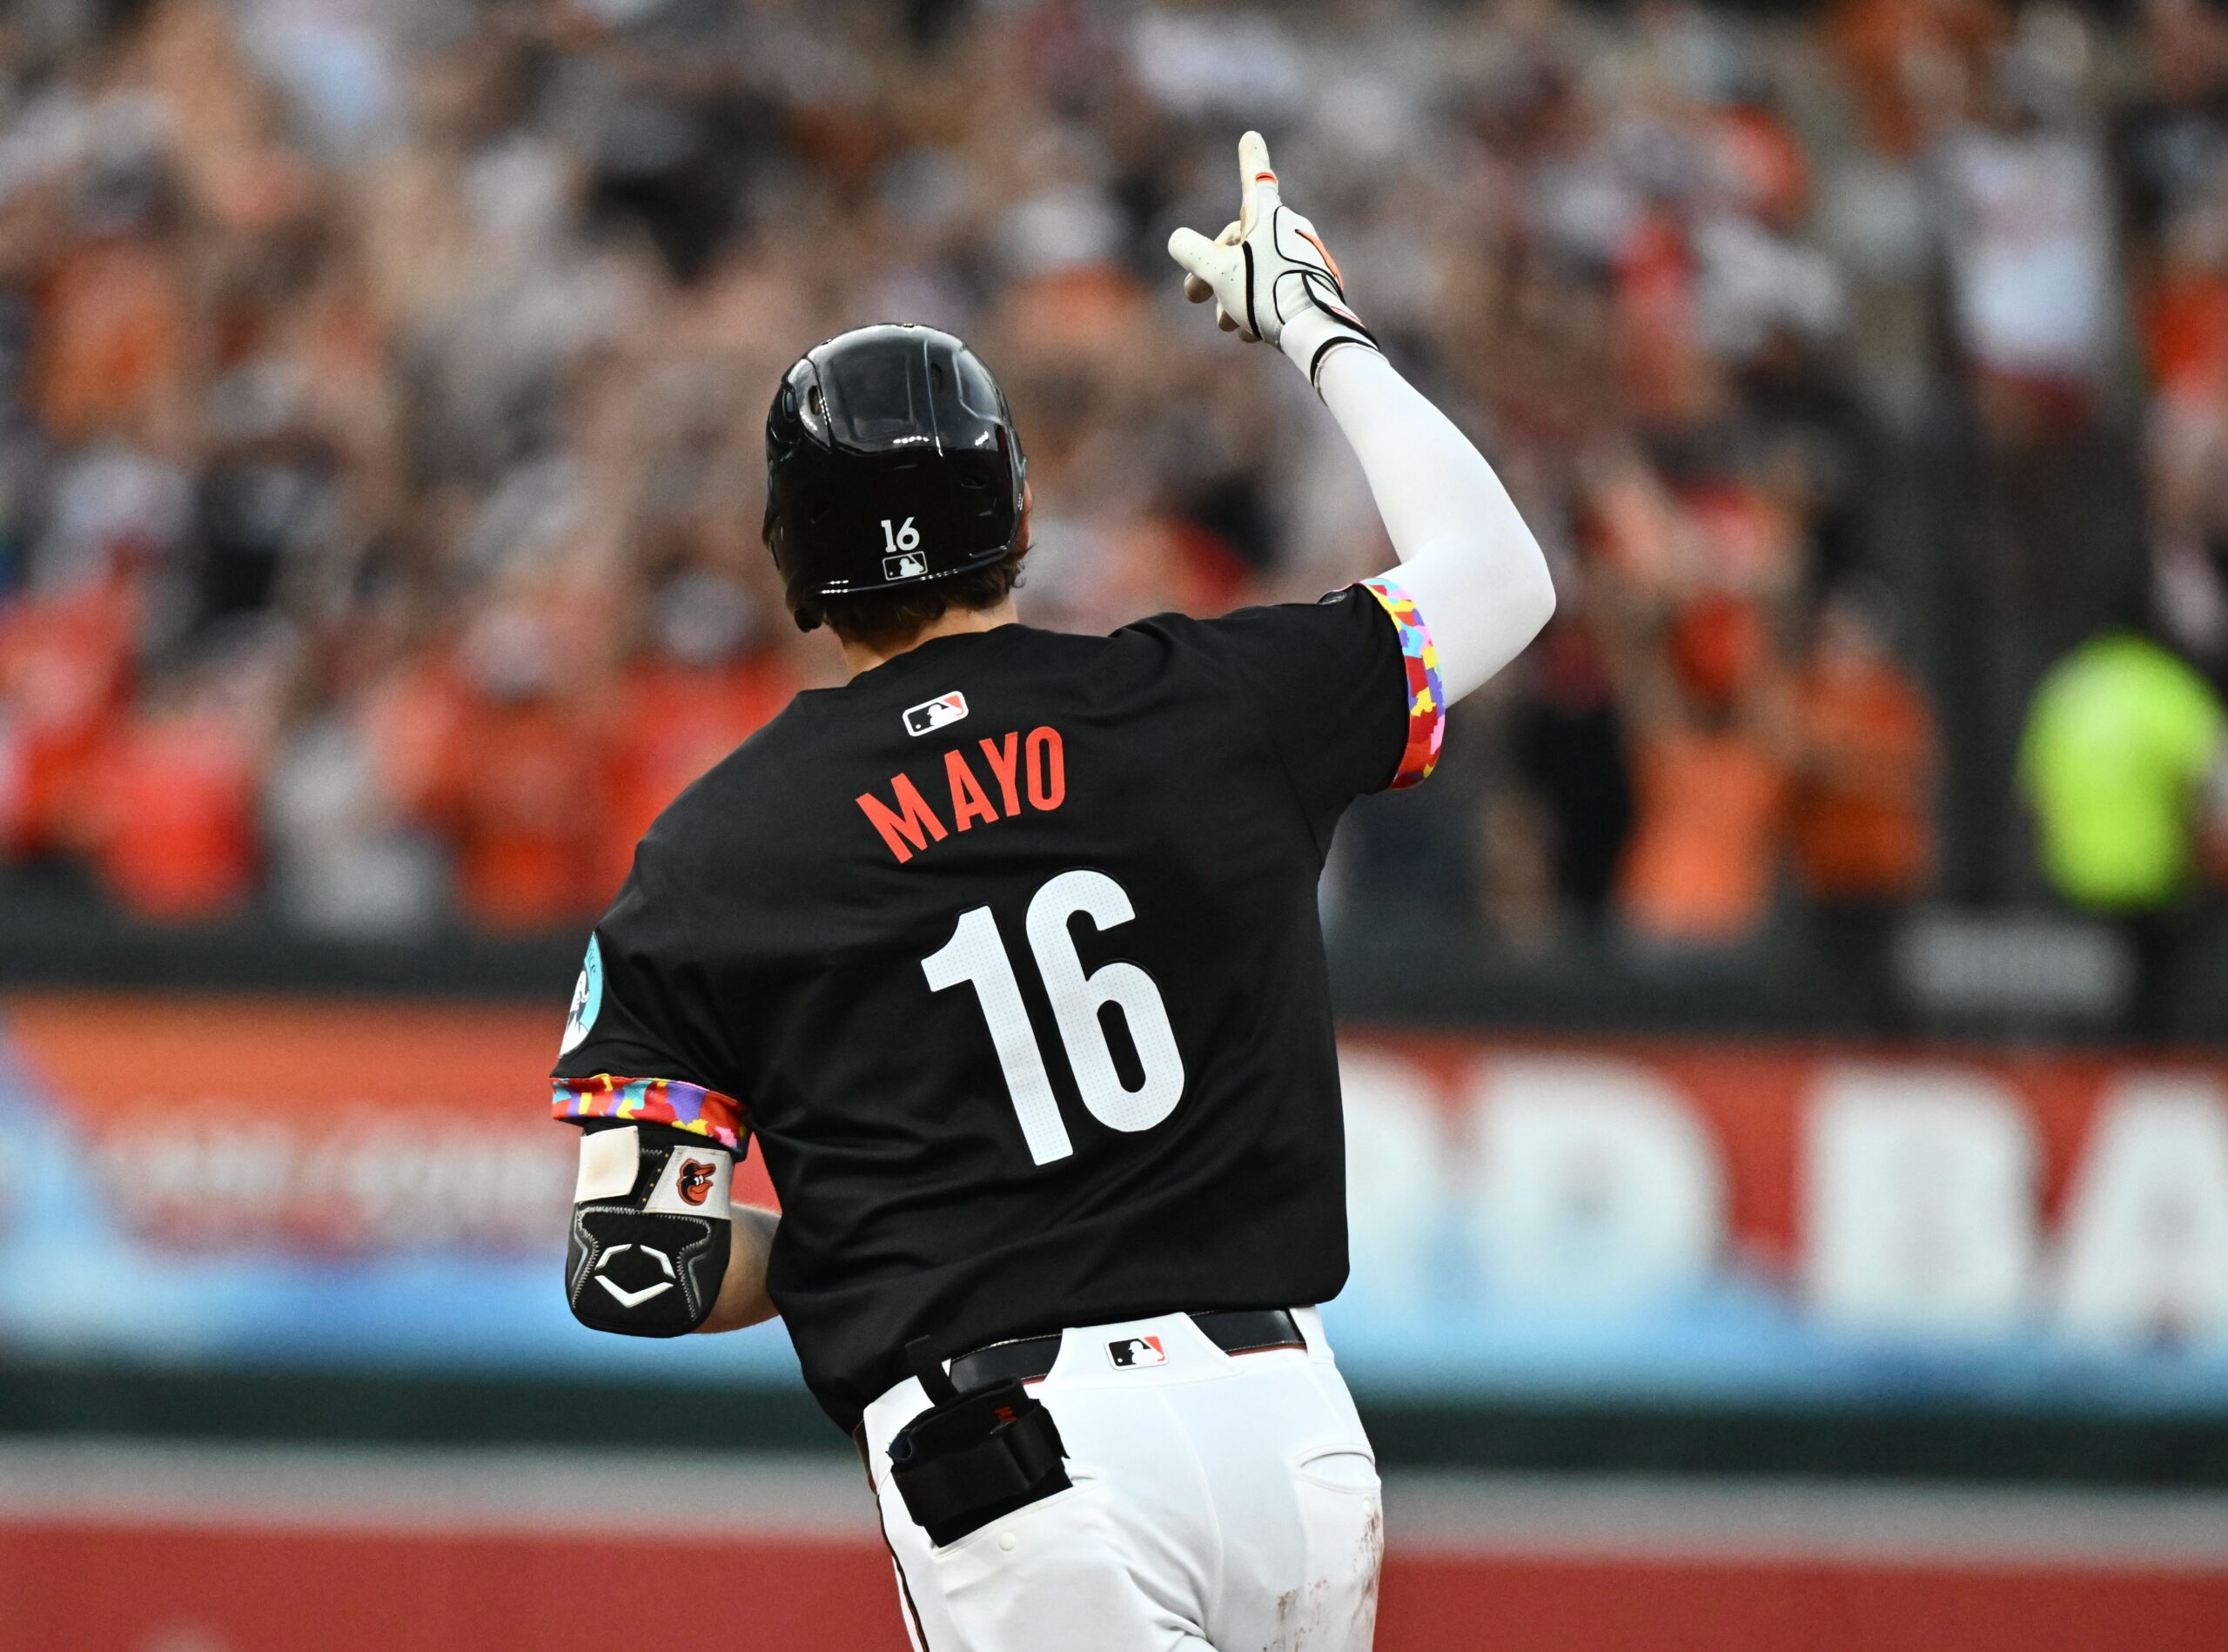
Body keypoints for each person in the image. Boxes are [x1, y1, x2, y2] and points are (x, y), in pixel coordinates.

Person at [547, 134, 1554, 1652]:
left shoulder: (713, 855)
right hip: (1283, 1418)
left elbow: (637, 1266)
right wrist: (1315, 325)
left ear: (792, 553)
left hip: (1006, 1446)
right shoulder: (1211, 704)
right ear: (1013, 504)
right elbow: (1500, 576)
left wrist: (895, 1229)